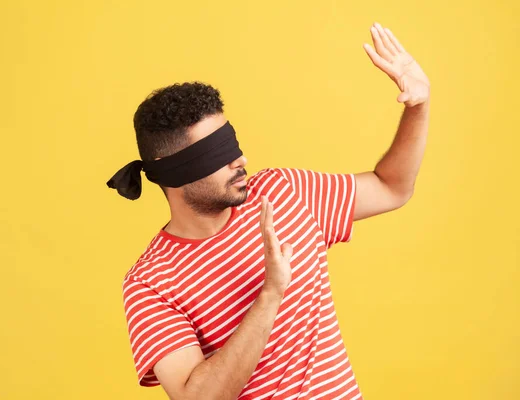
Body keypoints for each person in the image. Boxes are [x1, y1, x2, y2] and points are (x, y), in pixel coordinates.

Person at [108, 23, 429, 400]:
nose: (240, 159)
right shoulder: (150, 282)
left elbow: (392, 188)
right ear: (173, 172)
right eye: (218, 154)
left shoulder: (283, 192)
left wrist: (418, 108)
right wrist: (271, 292)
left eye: (233, 142)